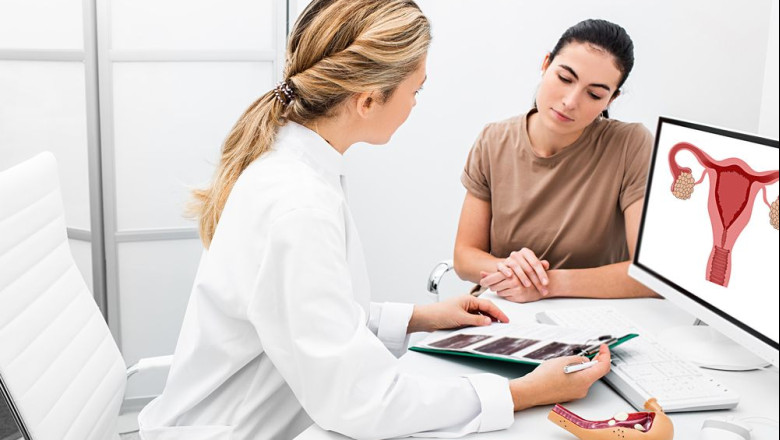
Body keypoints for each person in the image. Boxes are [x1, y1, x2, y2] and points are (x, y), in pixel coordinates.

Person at [138, 2, 610, 439]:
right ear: (367, 101)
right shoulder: (298, 205)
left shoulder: (296, 165)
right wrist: (525, 392)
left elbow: (312, 315)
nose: (416, 103)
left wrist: (421, 318)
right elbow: (361, 402)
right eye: (415, 89)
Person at [454, 19, 658, 303]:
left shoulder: (630, 145)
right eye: (565, 78)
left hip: (590, 318)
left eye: (594, 94)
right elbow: (464, 257)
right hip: (505, 310)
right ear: (546, 64)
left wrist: (546, 283)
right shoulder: (494, 140)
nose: (571, 101)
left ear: (611, 99)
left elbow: (648, 275)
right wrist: (511, 270)